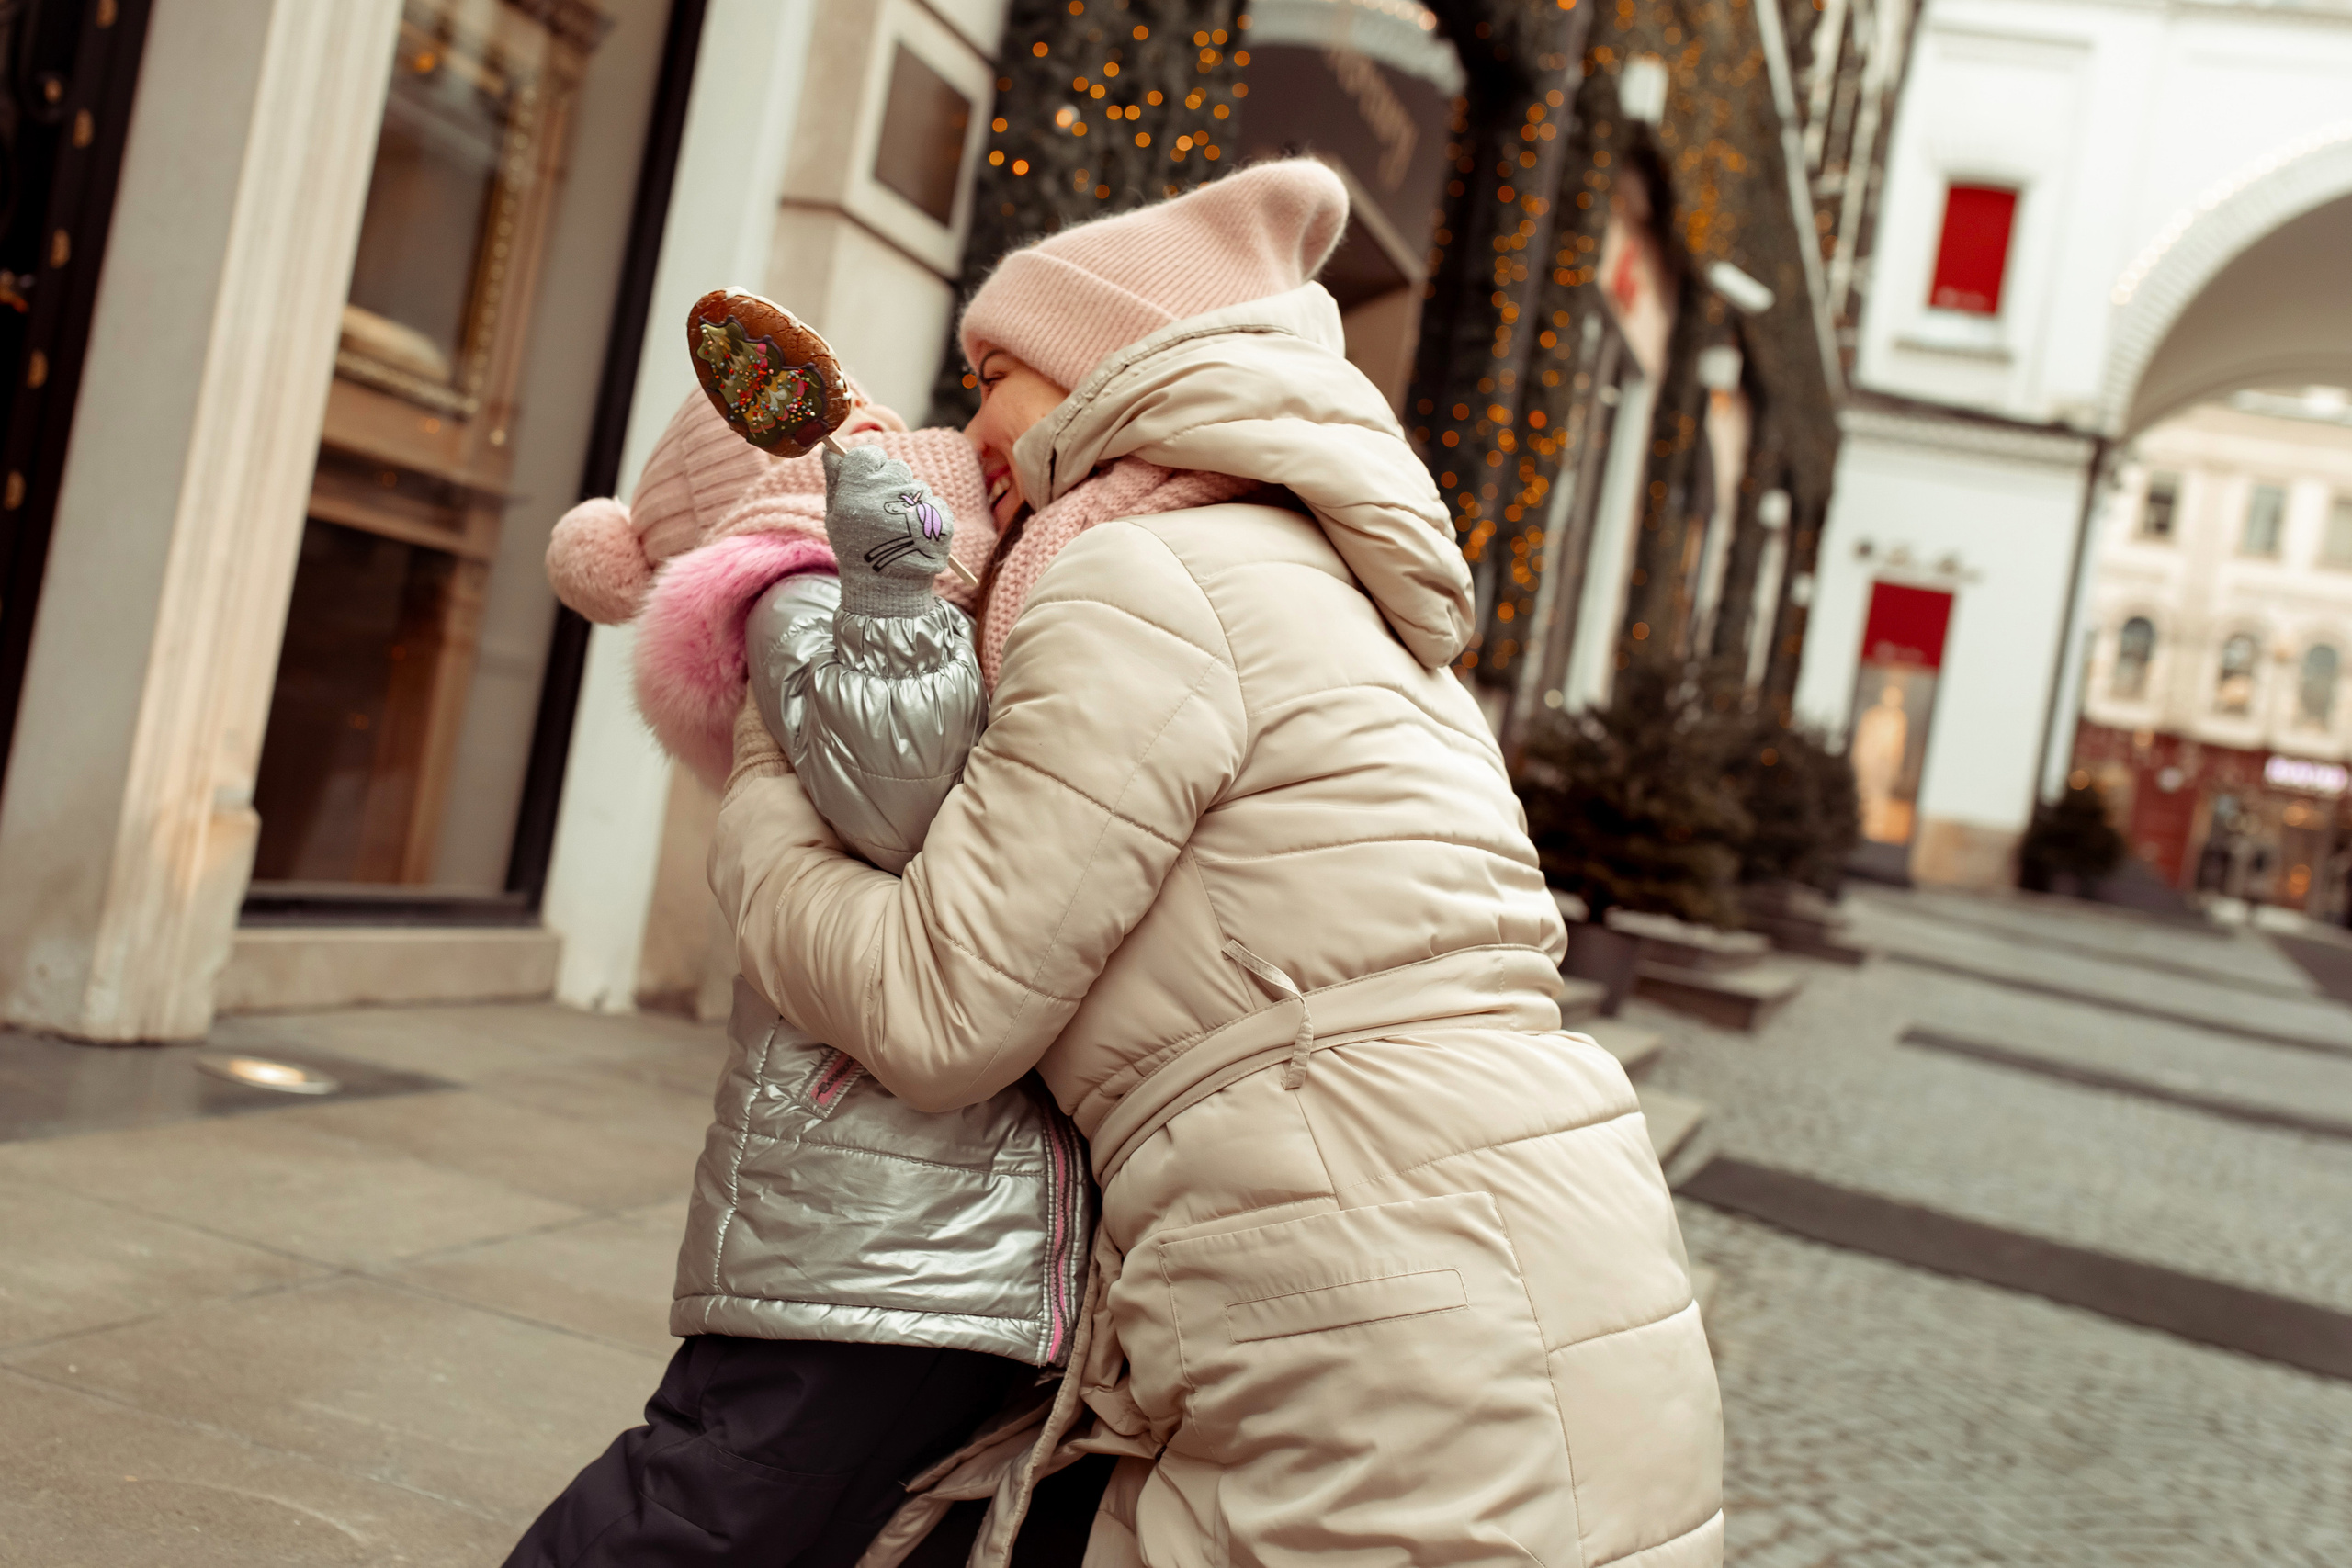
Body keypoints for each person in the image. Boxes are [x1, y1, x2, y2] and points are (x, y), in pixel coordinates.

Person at [711, 160, 1724, 1565]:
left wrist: (765, 794)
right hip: (1532, 1272)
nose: (973, 420)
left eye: (994, 370)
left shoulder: (1144, 581)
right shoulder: (1334, 591)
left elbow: (939, 1007)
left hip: (1377, 1317)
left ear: (1099, 372)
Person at [513, 392, 1092, 1568]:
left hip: (930, 1217)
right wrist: (886, 562)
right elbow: (907, 804)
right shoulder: (802, 589)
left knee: (850, 1525)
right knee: (699, 1513)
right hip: (880, 1215)